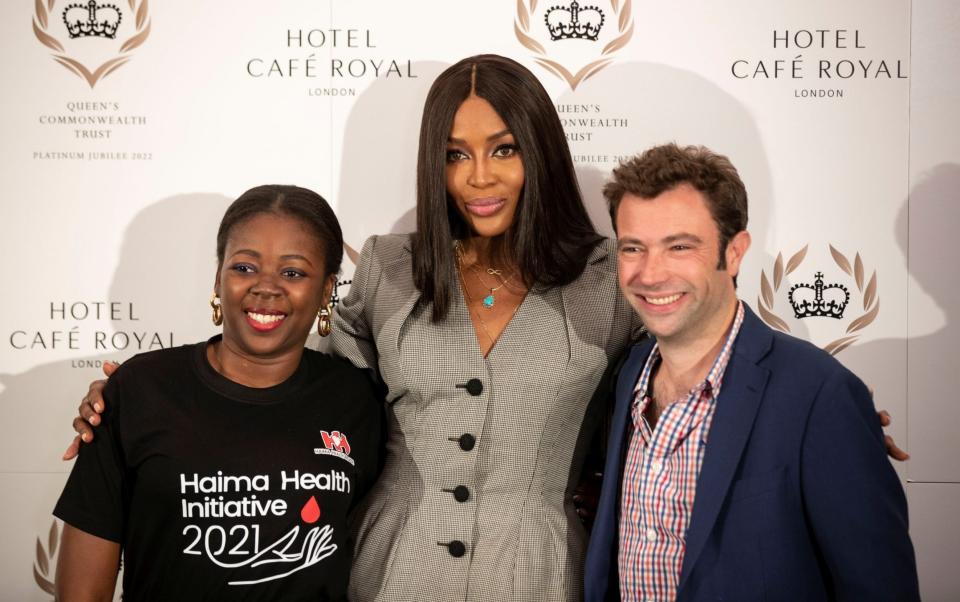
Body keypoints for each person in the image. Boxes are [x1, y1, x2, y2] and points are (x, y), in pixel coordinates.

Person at [63, 56, 906, 601]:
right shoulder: (391, 268)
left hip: (542, 573)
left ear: (537, 150)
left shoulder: (608, 277)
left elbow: (698, 364)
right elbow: (297, 391)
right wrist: (134, 400)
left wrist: (819, 413)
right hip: (392, 572)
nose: (479, 176)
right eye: (456, 153)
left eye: (502, 149)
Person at [583, 144, 920, 601]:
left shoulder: (818, 395)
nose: (651, 272)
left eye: (679, 246)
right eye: (633, 248)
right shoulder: (628, 375)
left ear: (735, 251)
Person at [53, 185, 382, 601]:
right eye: (244, 267)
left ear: (326, 290)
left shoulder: (357, 399)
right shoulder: (139, 390)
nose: (266, 287)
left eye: (293, 272)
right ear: (217, 277)